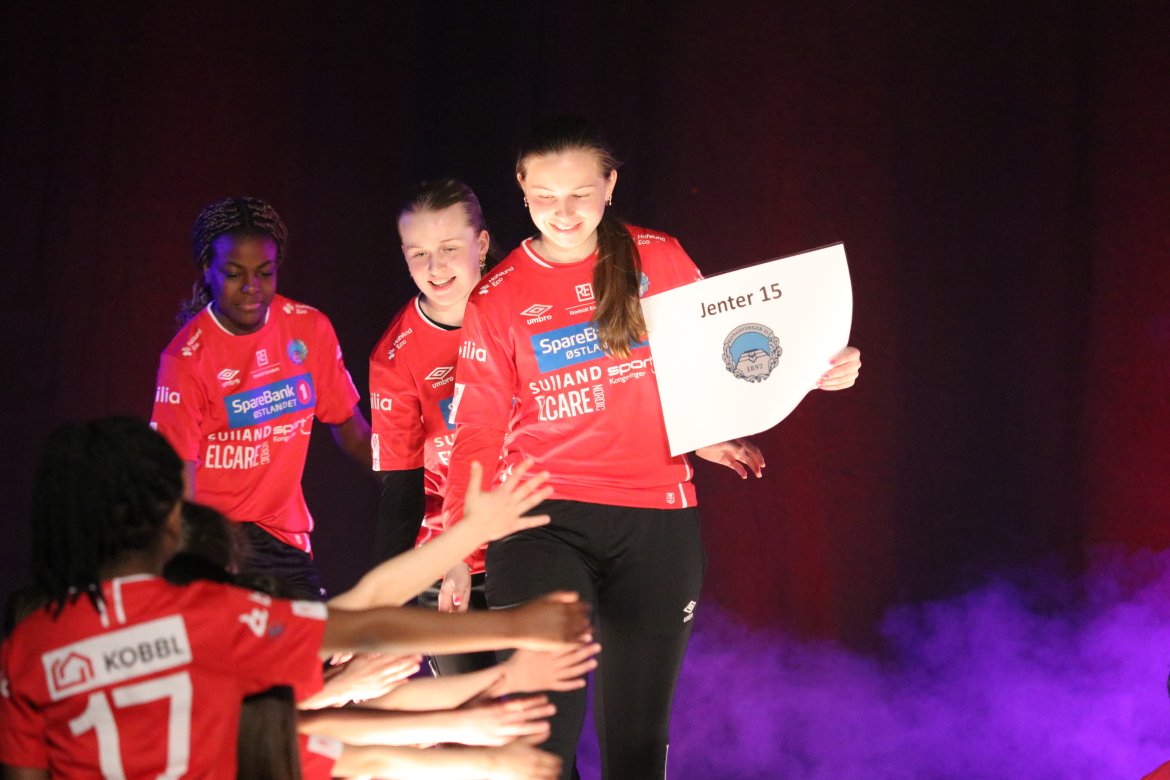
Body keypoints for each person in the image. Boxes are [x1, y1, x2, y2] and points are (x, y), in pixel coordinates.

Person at [441, 116, 863, 779]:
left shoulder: (657, 257)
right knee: (540, 738)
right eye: (545, 196)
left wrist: (816, 368)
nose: (563, 212)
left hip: (656, 521)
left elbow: (723, 359)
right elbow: (476, 432)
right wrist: (455, 548)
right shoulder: (497, 297)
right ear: (521, 189)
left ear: (610, 185)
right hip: (539, 523)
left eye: (580, 194)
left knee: (637, 743)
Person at [0, 416, 591, 779]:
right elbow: (367, 617)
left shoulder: (30, 645)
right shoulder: (207, 617)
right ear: (168, 518)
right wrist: (518, 624)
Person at [150, 196, 372, 600]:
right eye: (234, 274)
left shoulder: (309, 329)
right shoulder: (185, 360)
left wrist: (416, 485)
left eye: (265, 273)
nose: (252, 287)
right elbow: (178, 488)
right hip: (214, 545)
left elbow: (353, 432)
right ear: (207, 269)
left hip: (283, 543)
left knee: (313, 638)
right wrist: (189, 571)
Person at [369, 179, 500, 675]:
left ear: (481, 244)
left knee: (543, 718)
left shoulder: (523, 309)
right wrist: (383, 603)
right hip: (446, 564)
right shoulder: (395, 356)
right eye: (418, 253)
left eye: (448, 248)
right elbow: (400, 494)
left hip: (534, 548)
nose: (435, 267)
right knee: (471, 718)